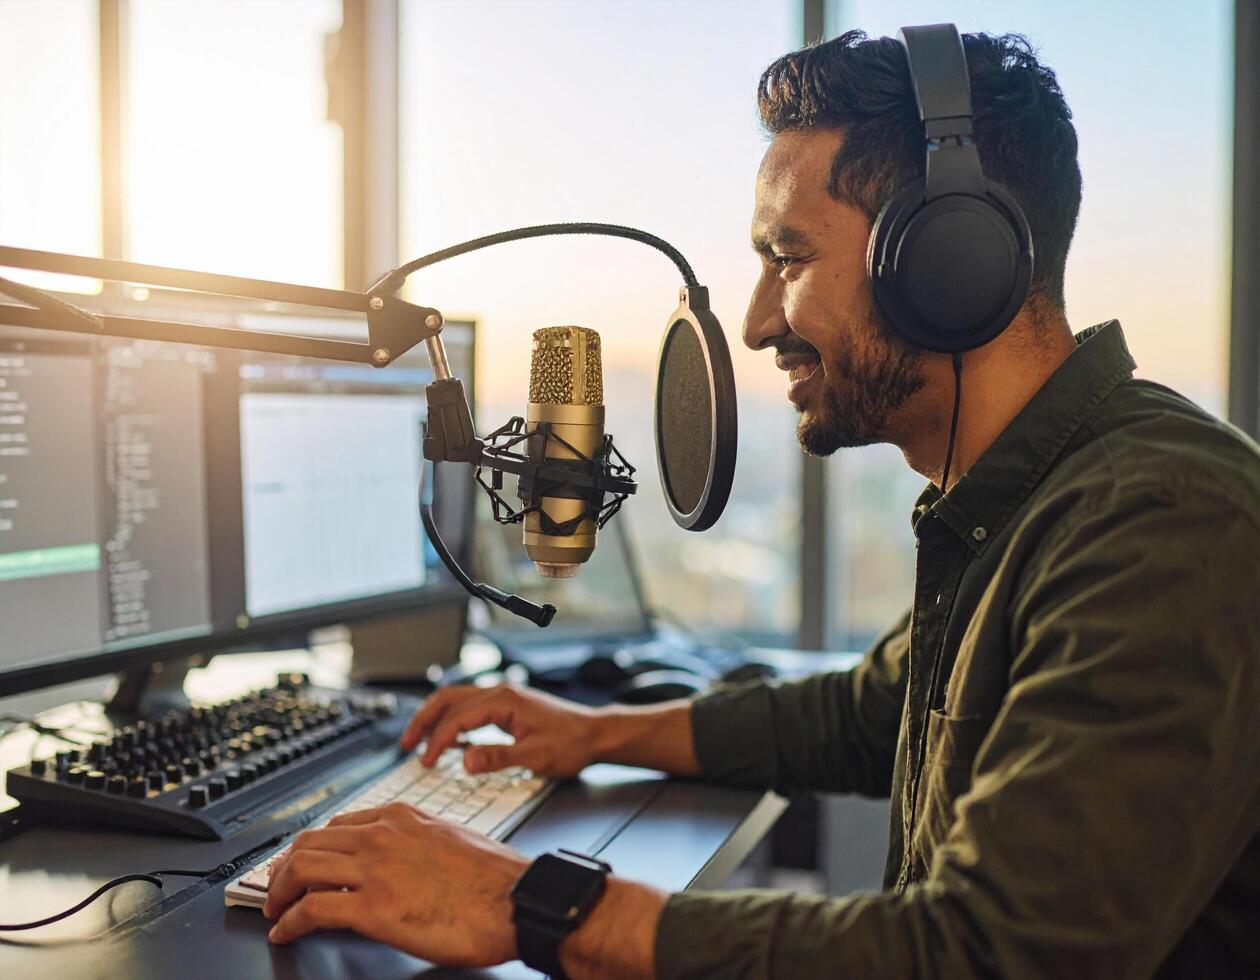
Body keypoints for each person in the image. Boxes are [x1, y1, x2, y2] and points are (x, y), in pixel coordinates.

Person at [261, 29, 1260, 980]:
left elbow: (990, 954)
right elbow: (873, 710)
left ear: (948, 263)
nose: (750, 323)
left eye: (788, 257)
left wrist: (528, 901)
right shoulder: (1032, 499)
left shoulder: (1163, 521)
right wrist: (593, 731)